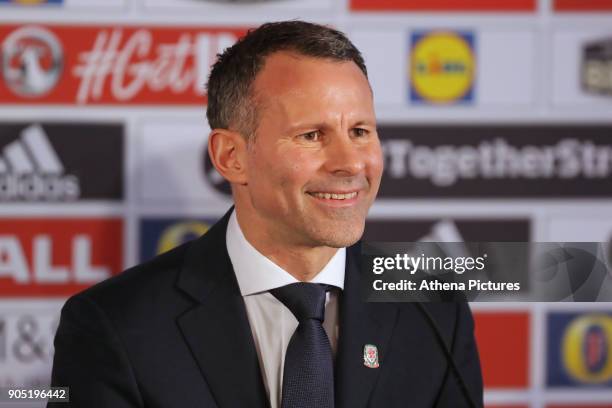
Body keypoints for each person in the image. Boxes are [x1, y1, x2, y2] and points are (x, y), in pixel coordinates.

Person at [49, 20, 483, 408]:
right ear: (231, 156)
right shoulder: (116, 326)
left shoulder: (433, 309)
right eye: (312, 135)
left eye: (360, 132)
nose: (351, 163)